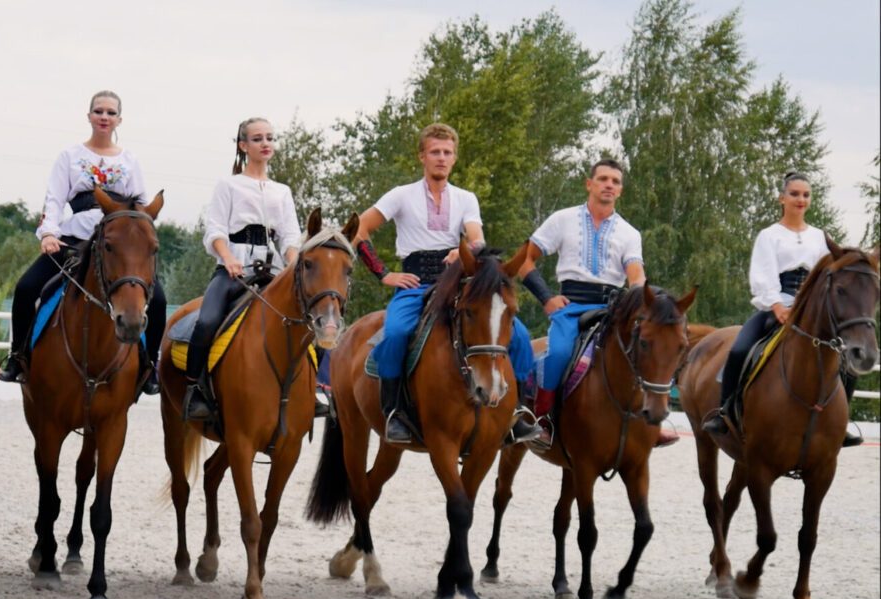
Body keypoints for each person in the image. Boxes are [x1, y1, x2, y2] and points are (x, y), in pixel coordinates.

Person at [353, 122, 541, 445]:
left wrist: (466, 249)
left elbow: (477, 237)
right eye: (435, 152)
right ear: (422, 156)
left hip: (457, 282)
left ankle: (517, 412)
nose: (441, 157)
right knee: (396, 333)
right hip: (413, 283)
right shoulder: (401, 195)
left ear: (454, 159)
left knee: (520, 335)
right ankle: (394, 412)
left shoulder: (466, 198)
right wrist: (384, 273)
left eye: (447, 152)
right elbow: (359, 229)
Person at [0, 90, 166, 389]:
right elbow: (54, 199)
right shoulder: (70, 156)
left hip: (116, 246)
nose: (104, 117)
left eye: (111, 112)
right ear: (89, 116)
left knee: (160, 298)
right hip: (74, 240)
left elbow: (141, 206)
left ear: (119, 120)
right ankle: (18, 356)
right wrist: (49, 233)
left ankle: (150, 367)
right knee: (26, 288)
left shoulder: (130, 160)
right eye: (99, 111)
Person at [509, 159, 678, 448]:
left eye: (615, 181)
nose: (609, 185)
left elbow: (635, 275)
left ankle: (650, 423)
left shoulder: (629, 233)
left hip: (613, 308)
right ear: (589, 184)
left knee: (642, 351)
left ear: (621, 190)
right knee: (559, 353)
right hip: (570, 306)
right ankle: (542, 419)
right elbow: (524, 259)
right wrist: (547, 298)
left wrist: (644, 296)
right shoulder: (562, 219)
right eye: (603, 179)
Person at [703, 173, 863, 446]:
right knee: (740, 348)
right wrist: (776, 304)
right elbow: (762, 274)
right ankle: (725, 411)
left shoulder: (820, 238)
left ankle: (841, 422)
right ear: (782, 198)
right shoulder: (769, 235)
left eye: (805, 195)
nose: (801, 199)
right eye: (795, 194)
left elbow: (830, 275)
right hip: (777, 304)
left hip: (814, 310)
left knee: (846, 359)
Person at [182, 117, 303, 420]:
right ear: (243, 145)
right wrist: (228, 258)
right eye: (258, 138)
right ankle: (194, 389)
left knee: (309, 319)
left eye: (270, 138)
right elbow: (215, 229)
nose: (266, 144)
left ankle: (311, 390)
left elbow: (289, 235)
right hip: (232, 267)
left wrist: (292, 263)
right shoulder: (229, 184)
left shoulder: (282, 190)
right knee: (207, 321)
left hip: (272, 268)